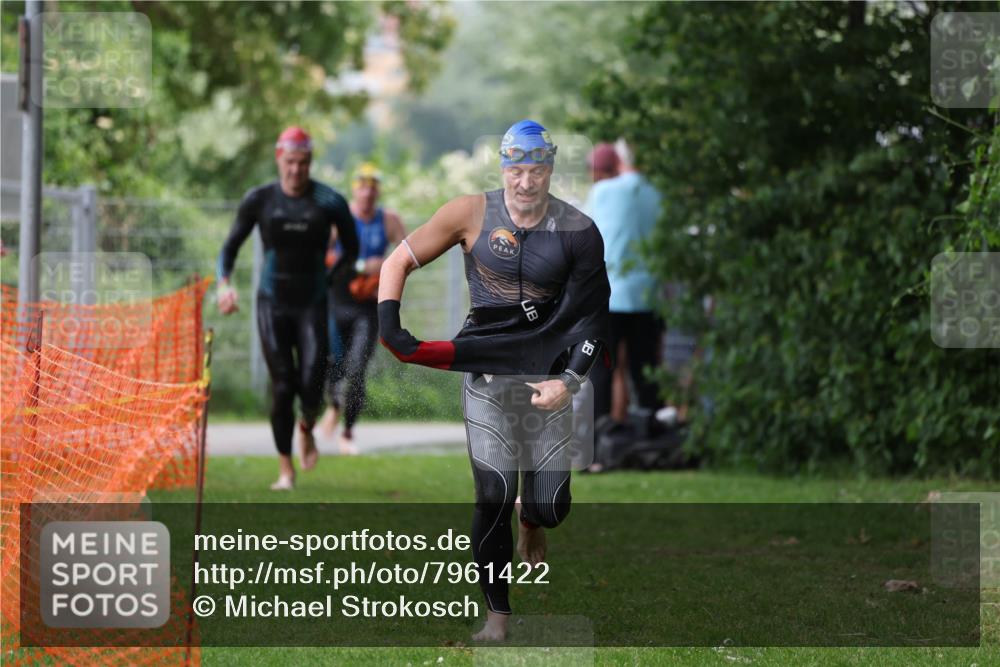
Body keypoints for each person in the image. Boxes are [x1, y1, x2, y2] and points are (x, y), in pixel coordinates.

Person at [378, 120, 610, 641]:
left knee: (550, 507)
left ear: (549, 169)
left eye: (536, 171)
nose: (525, 183)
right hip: (485, 370)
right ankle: (497, 617)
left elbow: (594, 321)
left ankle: (534, 519)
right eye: (516, 171)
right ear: (503, 168)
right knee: (493, 492)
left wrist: (569, 382)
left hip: (547, 378)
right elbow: (398, 260)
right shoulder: (470, 214)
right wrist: (390, 326)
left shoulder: (579, 231)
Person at [216, 126, 359, 490]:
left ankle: (307, 428)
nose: (296, 170)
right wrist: (225, 285)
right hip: (272, 303)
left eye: (304, 163)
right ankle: (285, 469)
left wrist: (331, 279)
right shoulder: (260, 200)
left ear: (311, 162)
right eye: (291, 162)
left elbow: (352, 249)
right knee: (283, 386)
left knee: (311, 381)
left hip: (312, 302)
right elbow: (229, 247)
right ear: (280, 159)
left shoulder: (329, 201)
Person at [318, 163, 405, 453]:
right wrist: (355, 266)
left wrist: (385, 269)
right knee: (331, 363)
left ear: (377, 191)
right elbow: (322, 253)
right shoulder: (339, 219)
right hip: (338, 299)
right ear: (355, 189)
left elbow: (409, 251)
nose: (367, 193)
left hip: (368, 305)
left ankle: (348, 433)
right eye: (362, 187)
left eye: (372, 188)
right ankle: (333, 405)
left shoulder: (389, 220)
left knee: (356, 369)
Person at [585, 138, 664, 430]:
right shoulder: (658, 194)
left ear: (618, 160)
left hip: (608, 294)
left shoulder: (603, 191)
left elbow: (584, 236)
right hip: (649, 294)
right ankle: (650, 434)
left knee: (602, 369)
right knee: (645, 370)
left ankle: (599, 441)